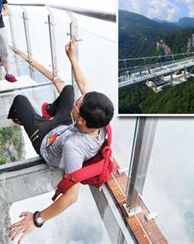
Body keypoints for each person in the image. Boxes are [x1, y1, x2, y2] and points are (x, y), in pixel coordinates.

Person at [7, 37, 114, 243]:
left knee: (20, 101)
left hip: (46, 141)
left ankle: (22, 120)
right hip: (64, 128)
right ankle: (47, 111)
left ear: (81, 119)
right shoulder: (101, 121)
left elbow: (71, 197)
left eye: (76, 105)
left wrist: (37, 219)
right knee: (68, 90)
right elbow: (83, 84)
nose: (74, 104)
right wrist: (71, 56)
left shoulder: (74, 148)